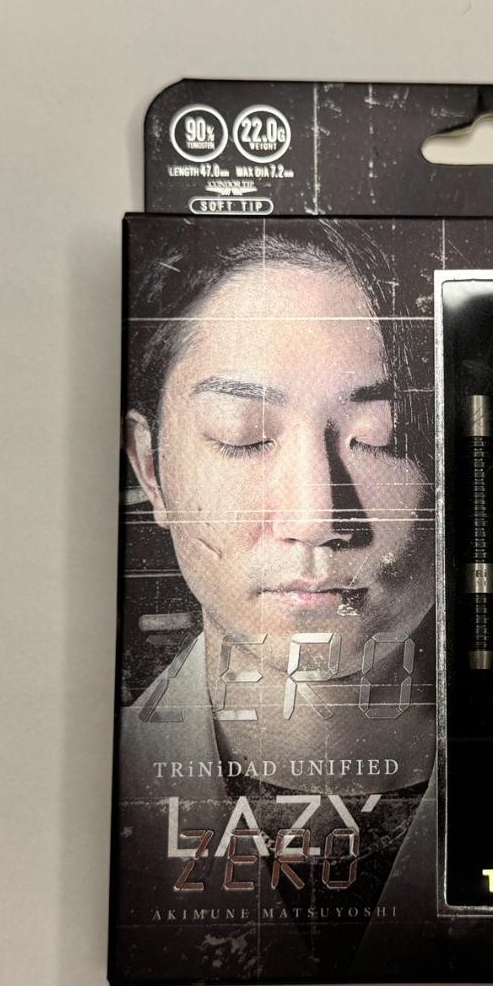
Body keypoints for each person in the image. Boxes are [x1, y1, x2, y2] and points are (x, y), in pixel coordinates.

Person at [119, 221, 436, 802]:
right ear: (151, 469)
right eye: (242, 436)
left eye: (383, 437)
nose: (316, 519)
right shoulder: (101, 779)